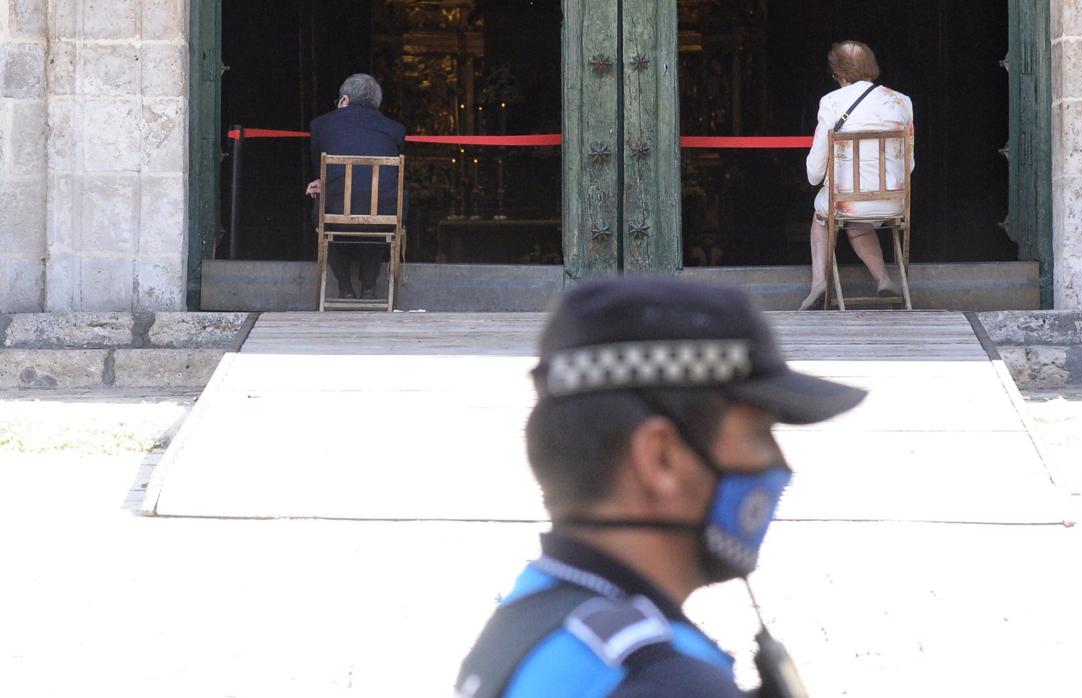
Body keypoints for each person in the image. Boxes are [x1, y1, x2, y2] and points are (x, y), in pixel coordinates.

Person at [456, 276, 867, 697]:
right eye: (760, 433)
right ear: (661, 458)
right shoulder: (662, 679)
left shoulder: (529, 620)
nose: (779, 463)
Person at [800, 41, 916, 310]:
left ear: (840, 75)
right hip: (893, 202)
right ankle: (884, 278)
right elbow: (909, 165)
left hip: (846, 202)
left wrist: (815, 178)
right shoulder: (902, 101)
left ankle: (819, 282)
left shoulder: (831, 102)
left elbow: (815, 171)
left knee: (822, 218)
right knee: (857, 224)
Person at [305, 73, 405, 300]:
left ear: (345, 99)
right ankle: (369, 287)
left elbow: (318, 167)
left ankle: (345, 287)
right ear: (377, 103)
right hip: (383, 214)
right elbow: (395, 172)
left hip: (335, 209)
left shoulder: (321, 124)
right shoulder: (395, 129)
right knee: (380, 205)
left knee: (325, 207)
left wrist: (323, 181)